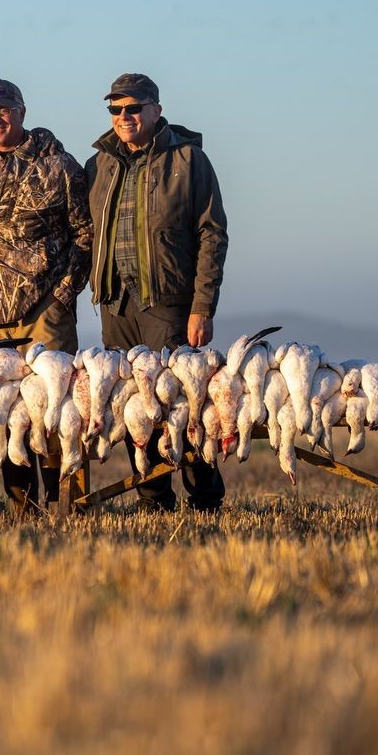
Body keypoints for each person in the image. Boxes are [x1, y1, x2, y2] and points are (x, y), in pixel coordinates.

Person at [86, 72, 229, 511]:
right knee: (133, 404)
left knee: (182, 403)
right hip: (116, 304)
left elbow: (212, 234)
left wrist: (202, 306)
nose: (124, 116)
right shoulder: (100, 164)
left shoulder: (188, 160)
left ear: (156, 111)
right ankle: (152, 498)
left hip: (167, 302)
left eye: (133, 108)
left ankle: (204, 497)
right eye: (116, 109)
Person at [0, 78, 92, 511]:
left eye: (3, 109)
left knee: (51, 407)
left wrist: (63, 294)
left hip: (43, 311)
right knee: (3, 409)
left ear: (21, 112)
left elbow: (85, 235)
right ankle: (21, 504)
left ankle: (59, 500)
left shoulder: (58, 165)